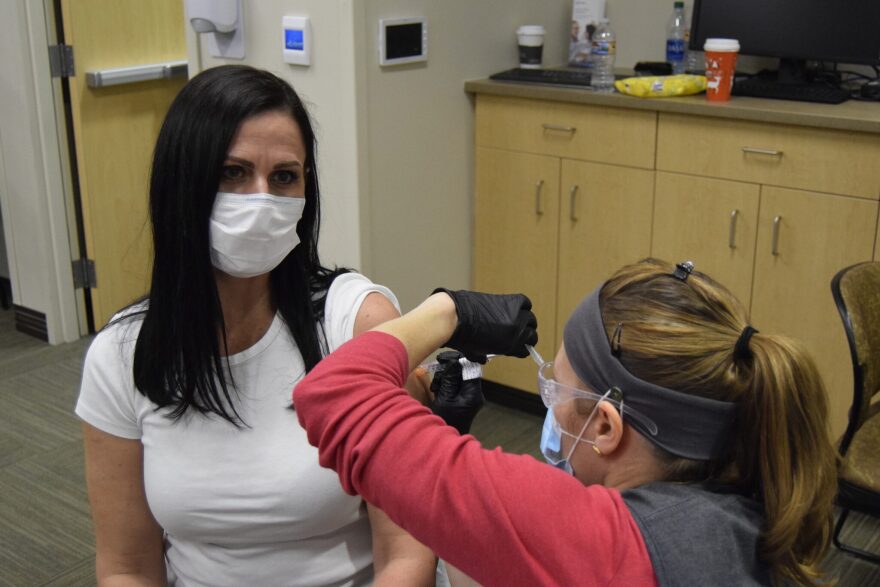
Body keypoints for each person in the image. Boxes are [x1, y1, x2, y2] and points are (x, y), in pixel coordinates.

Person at [75, 65, 437, 586]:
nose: (260, 199)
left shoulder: (356, 325)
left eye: (284, 177)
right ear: (184, 183)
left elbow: (407, 552)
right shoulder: (123, 355)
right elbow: (126, 566)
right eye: (232, 173)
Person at [294, 258, 839, 586]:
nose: (550, 402)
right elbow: (505, 558)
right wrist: (449, 436)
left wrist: (447, 311)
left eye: (556, 385)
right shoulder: (747, 503)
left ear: (605, 426)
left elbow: (333, 393)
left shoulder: (598, 543)